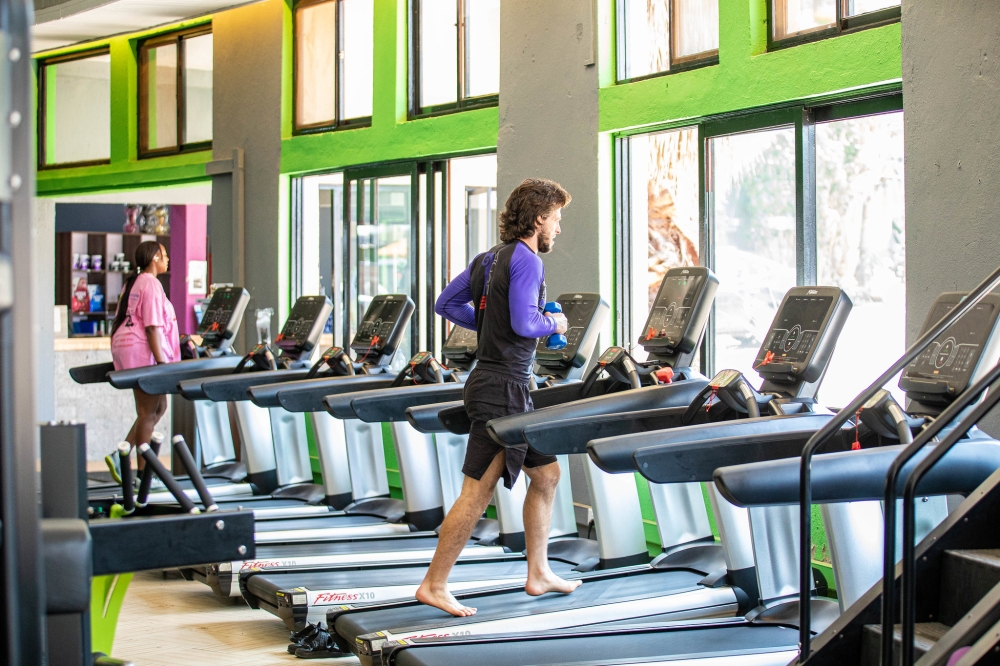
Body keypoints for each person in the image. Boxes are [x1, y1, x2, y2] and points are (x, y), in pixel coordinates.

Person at [416, 178, 577, 617]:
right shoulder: (528, 260)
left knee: (546, 476)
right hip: (503, 389)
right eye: (556, 219)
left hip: (501, 384)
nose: (558, 228)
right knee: (477, 492)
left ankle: (539, 571)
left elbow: (447, 305)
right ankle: (434, 584)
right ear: (539, 218)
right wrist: (556, 325)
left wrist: (491, 324)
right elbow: (526, 325)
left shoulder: (488, 258)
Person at [105, 240, 181, 481]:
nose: (167, 259)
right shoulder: (150, 283)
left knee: (158, 408)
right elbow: (152, 326)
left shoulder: (133, 283)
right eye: (164, 255)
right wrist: (161, 364)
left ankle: (122, 453)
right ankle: (142, 475)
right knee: (148, 412)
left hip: (128, 348)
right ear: (154, 257)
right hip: (142, 352)